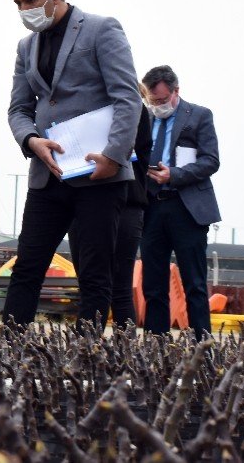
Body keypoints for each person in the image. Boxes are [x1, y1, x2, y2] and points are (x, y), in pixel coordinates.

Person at [3, 0, 141, 330]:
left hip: (99, 175)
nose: (24, 9)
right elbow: (19, 109)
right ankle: (7, 353)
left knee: (95, 274)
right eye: (17, 2)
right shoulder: (26, 46)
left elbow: (128, 98)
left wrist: (114, 155)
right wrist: (32, 140)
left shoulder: (101, 29)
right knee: (27, 266)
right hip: (48, 174)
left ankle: (88, 358)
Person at [139, 65, 220, 338]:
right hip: (151, 207)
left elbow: (211, 160)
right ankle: (155, 346)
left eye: (162, 100)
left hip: (186, 208)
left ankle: (202, 347)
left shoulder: (199, 116)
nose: (158, 106)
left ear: (176, 92)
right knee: (153, 284)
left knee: (194, 283)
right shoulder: (144, 118)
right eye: (153, 101)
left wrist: (173, 175)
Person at [69, 84, 152, 328]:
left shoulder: (136, 111)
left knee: (119, 287)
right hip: (85, 199)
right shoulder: (85, 106)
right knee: (88, 282)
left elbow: (140, 152)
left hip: (127, 200)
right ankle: (88, 351)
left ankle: (124, 357)